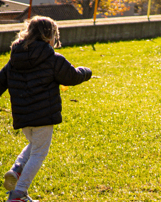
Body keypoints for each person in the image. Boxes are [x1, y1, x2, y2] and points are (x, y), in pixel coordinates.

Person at [0, 16, 92, 202]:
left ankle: (17, 170)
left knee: (35, 145)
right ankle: (19, 193)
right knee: (39, 152)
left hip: (23, 116)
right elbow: (71, 77)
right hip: (43, 115)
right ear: (50, 37)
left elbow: (0, 81)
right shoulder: (52, 58)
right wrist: (86, 72)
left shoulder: (14, 58)